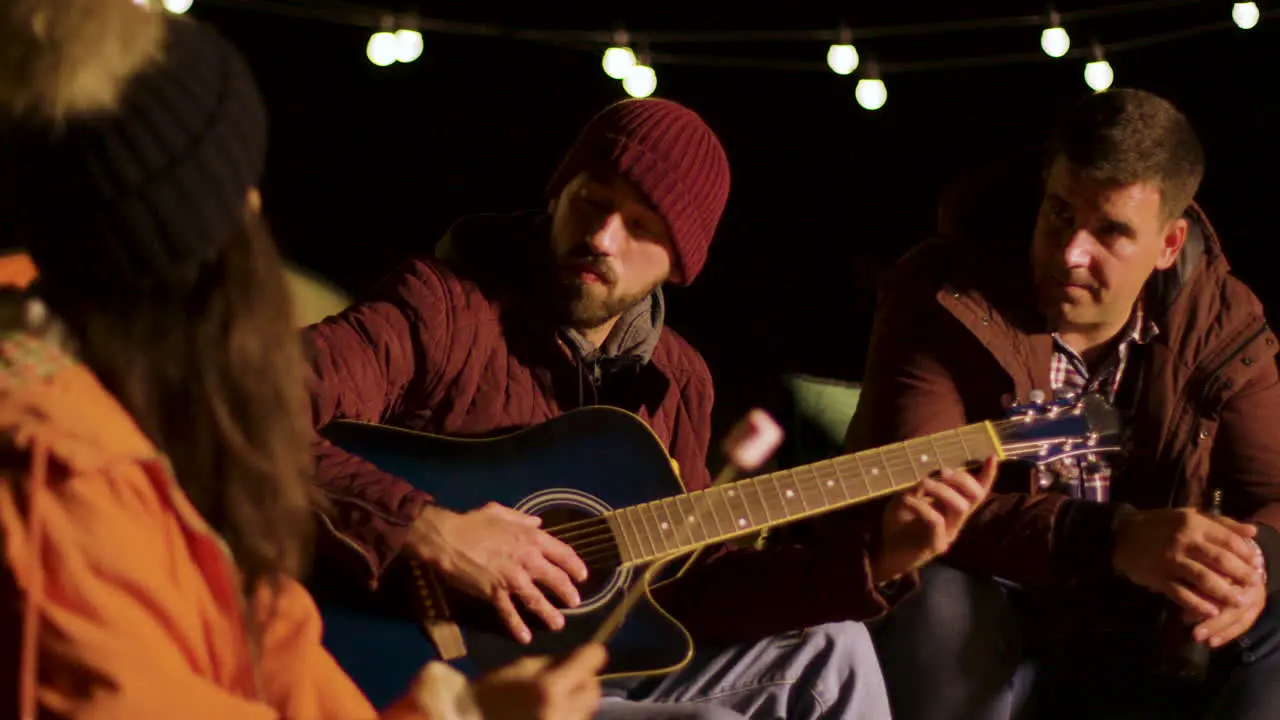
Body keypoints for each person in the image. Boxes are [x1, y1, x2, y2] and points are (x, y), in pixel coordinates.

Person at [306, 93, 999, 718]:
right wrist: (429, 530)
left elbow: (691, 589)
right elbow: (239, 410)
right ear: (559, 192)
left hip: (593, 675)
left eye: (641, 225)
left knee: (836, 649)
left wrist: (877, 559)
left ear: (679, 262)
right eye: (592, 199)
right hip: (430, 673)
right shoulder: (442, 307)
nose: (603, 238)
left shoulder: (679, 379)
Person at [0, 1, 604, 718]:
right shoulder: (53, 481)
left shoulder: (152, 407)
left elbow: (273, 645)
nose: (257, 213)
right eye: (235, 196)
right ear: (178, 244)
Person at [848, 87, 1280, 720]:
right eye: (1059, 213)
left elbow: (1272, 490)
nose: (1071, 253)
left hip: (1141, 616)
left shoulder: (1222, 320)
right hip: (998, 595)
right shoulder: (944, 294)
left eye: (1111, 232)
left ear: (1168, 244)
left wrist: (1244, 572)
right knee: (933, 596)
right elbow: (916, 498)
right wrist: (1112, 537)